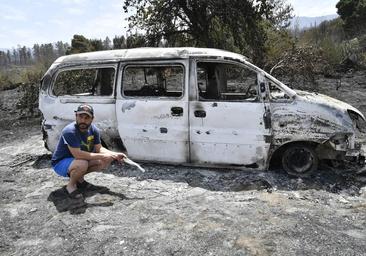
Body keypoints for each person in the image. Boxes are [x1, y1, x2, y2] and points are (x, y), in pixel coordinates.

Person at [51, 104, 126, 200]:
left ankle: (79, 179)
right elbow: (78, 154)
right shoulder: (69, 131)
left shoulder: (93, 129)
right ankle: (70, 186)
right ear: (76, 116)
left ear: (92, 119)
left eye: (87, 117)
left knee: (106, 160)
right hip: (60, 162)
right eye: (80, 116)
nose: (83, 120)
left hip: (77, 160)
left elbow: (99, 148)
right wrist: (102, 156)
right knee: (82, 163)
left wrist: (114, 154)